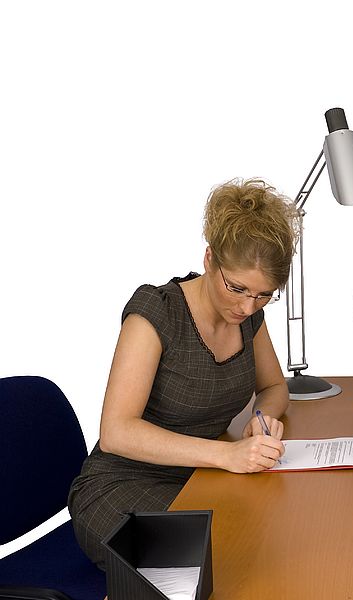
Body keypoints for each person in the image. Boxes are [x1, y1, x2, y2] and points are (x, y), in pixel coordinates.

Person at [68, 178, 298, 569]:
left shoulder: (247, 318)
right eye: (237, 288)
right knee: (223, 557)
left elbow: (275, 386)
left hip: (199, 477)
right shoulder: (156, 313)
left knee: (270, 534)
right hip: (121, 486)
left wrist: (264, 419)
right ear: (210, 259)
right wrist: (227, 455)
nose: (247, 306)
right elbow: (116, 432)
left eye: (263, 295)